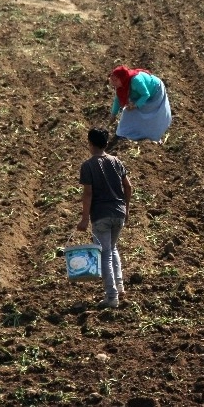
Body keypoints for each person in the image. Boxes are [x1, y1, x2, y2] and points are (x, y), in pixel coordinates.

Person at [76, 127, 133, 309]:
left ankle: (111, 296)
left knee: (105, 254)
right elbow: (128, 187)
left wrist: (85, 219)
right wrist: (127, 209)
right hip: (119, 213)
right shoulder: (116, 161)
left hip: (101, 215)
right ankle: (120, 287)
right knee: (112, 249)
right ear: (106, 144)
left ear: (90, 144)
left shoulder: (88, 166)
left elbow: (88, 194)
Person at [108, 65, 172, 143]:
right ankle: (123, 134)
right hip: (138, 94)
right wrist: (113, 114)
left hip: (155, 91)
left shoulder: (135, 80)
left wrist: (136, 105)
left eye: (115, 80)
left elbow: (146, 94)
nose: (113, 82)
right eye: (112, 79)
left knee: (151, 115)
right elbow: (117, 99)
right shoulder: (121, 85)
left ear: (122, 78)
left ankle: (151, 136)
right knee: (128, 112)